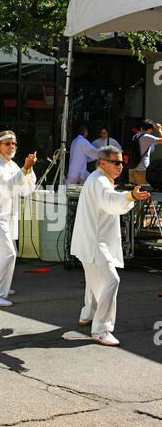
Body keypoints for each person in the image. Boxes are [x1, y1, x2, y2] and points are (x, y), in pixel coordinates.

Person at [71, 145, 150, 346]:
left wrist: (124, 195)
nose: (120, 166)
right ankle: (101, 329)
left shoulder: (98, 179)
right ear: (103, 163)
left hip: (91, 240)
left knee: (93, 280)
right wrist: (130, 196)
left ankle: (87, 314)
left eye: (122, 162)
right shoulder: (99, 181)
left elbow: (108, 198)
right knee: (111, 280)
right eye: (116, 163)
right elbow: (110, 200)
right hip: (95, 242)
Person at [0, 130, 36, 307]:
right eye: (7, 143)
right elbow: (7, 187)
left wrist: (29, 169)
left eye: (14, 143)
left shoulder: (12, 165)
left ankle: (3, 288)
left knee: (2, 256)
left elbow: (26, 189)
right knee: (8, 254)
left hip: (8, 217)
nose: (11, 147)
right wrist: (25, 169)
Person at [129, 119, 162, 185]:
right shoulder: (147, 137)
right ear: (150, 129)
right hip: (142, 169)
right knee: (144, 191)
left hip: (132, 168)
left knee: (134, 192)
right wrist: (159, 130)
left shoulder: (135, 136)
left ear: (141, 128)